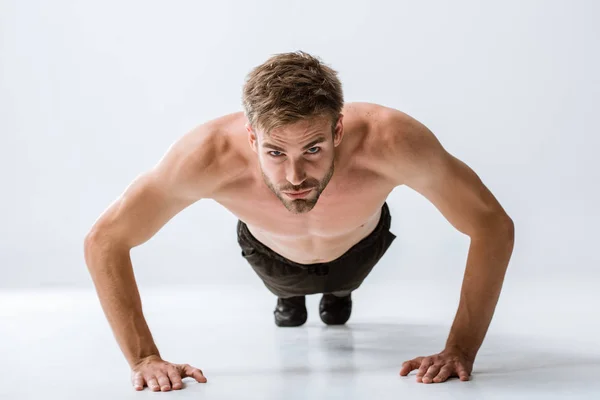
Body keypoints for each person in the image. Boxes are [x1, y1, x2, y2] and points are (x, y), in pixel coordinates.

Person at [84, 51, 515, 392]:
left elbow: (492, 224)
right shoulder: (206, 156)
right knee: (288, 304)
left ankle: (339, 292)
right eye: (275, 153)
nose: (295, 178)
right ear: (252, 137)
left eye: (312, 149)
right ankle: (289, 299)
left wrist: (461, 348)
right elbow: (105, 239)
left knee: (341, 293)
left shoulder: (391, 140)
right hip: (270, 253)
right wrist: (144, 358)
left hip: (360, 246)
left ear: (338, 131)